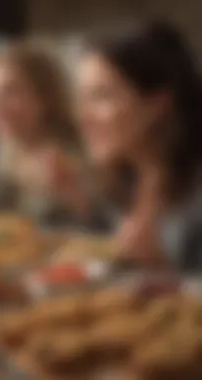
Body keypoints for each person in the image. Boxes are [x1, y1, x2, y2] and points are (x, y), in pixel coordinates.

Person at [75, 19, 202, 270]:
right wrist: (76, 203)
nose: (83, 116)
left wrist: (158, 268)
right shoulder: (118, 181)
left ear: (158, 104)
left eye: (101, 96)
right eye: (82, 97)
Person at [0, 42, 94, 226]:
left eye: (10, 91)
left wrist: (76, 199)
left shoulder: (76, 156)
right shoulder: (6, 149)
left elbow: (102, 236)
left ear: (46, 97)